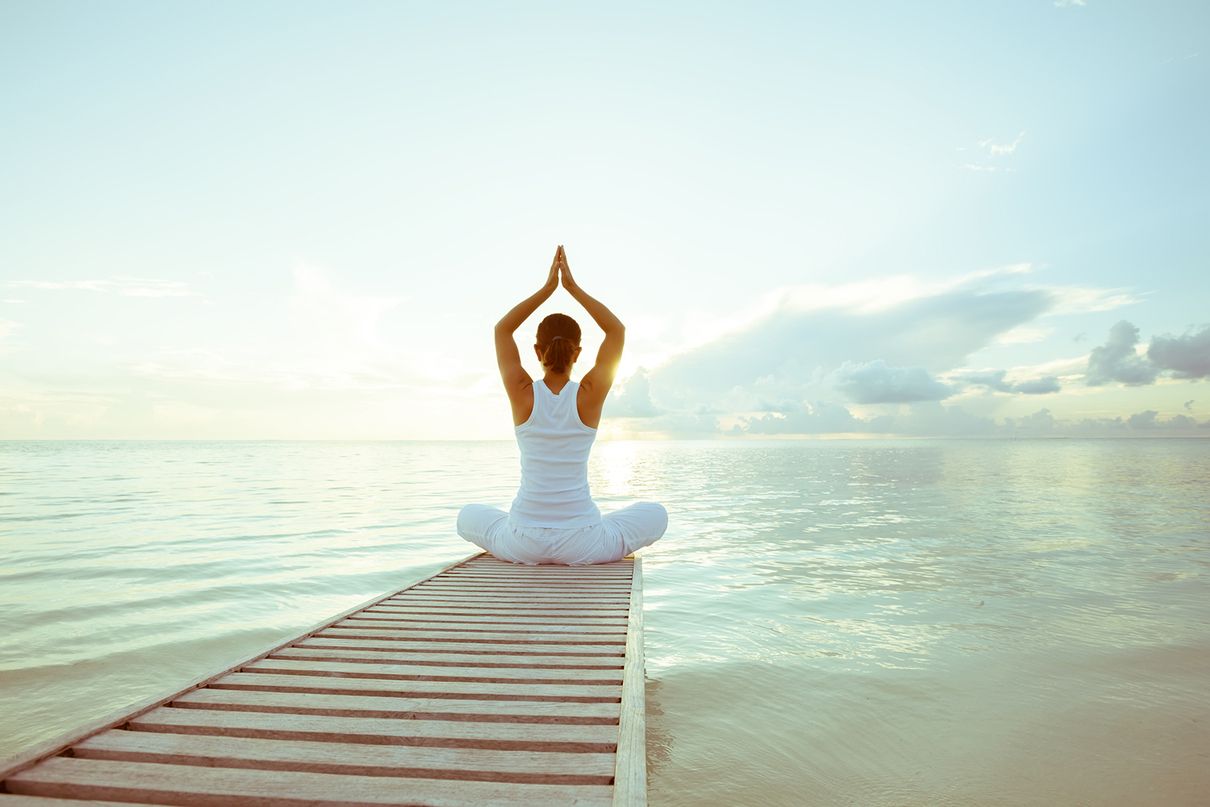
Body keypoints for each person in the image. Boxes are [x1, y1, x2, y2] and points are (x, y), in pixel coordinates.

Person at [457, 245, 668, 565]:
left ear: (537, 350)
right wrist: (571, 287)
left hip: (523, 540)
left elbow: (502, 329)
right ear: (578, 352)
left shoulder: (523, 393)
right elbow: (616, 330)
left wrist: (547, 289)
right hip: (583, 542)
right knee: (656, 513)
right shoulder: (588, 394)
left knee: (467, 515)